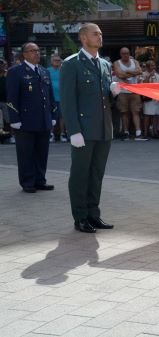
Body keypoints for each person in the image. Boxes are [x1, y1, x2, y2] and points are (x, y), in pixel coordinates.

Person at [59, 23, 119, 233]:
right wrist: (74, 130)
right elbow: (67, 101)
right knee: (80, 174)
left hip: (103, 128)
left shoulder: (104, 64)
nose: (100, 37)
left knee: (97, 174)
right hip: (83, 130)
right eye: (95, 34)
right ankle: (80, 217)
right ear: (84, 38)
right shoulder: (71, 64)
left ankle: (94, 214)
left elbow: (105, 101)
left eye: (101, 34)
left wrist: (113, 93)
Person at [6, 42, 57, 193]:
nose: (37, 53)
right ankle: (27, 182)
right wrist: (14, 119)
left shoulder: (43, 71)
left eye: (38, 50)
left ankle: (40, 180)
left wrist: (53, 114)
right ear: (24, 54)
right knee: (26, 153)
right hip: (25, 120)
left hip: (43, 119)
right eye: (32, 51)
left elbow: (50, 96)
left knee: (42, 152)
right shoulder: (16, 71)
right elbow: (11, 97)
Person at [113, 47, 146, 141]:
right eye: (124, 53)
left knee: (136, 111)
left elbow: (140, 71)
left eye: (127, 53)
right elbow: (120, 75)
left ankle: (138, 133)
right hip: (122, 91)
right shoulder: (117, 63)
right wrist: (133, 73)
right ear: (121, 54)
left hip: (134, 91)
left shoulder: (134, 62)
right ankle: (126, 132)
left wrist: (127, 72)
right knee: (124, 113)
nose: (126, 55)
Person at [47, 54, 67, 142]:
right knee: (51, 117)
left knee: (62, 117)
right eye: (55, 60)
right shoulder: (47, 71)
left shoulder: (64, 70)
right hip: (51, 98)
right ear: (51, 62)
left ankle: (62, 134)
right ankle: (51, 135)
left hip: (63, 98)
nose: (57, 62)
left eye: (58, 60)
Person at [141, 60, 159, 138]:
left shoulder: (157, 75)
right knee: (147, 115)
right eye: (152, 65)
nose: (154, 67)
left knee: (156, 115)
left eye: (154, 65)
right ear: (148, 67)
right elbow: (142, 85)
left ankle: (155, 132)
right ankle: (145, 133)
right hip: (148, 97)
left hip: (156, 97)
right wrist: (149, 76)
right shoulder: (143, 74)